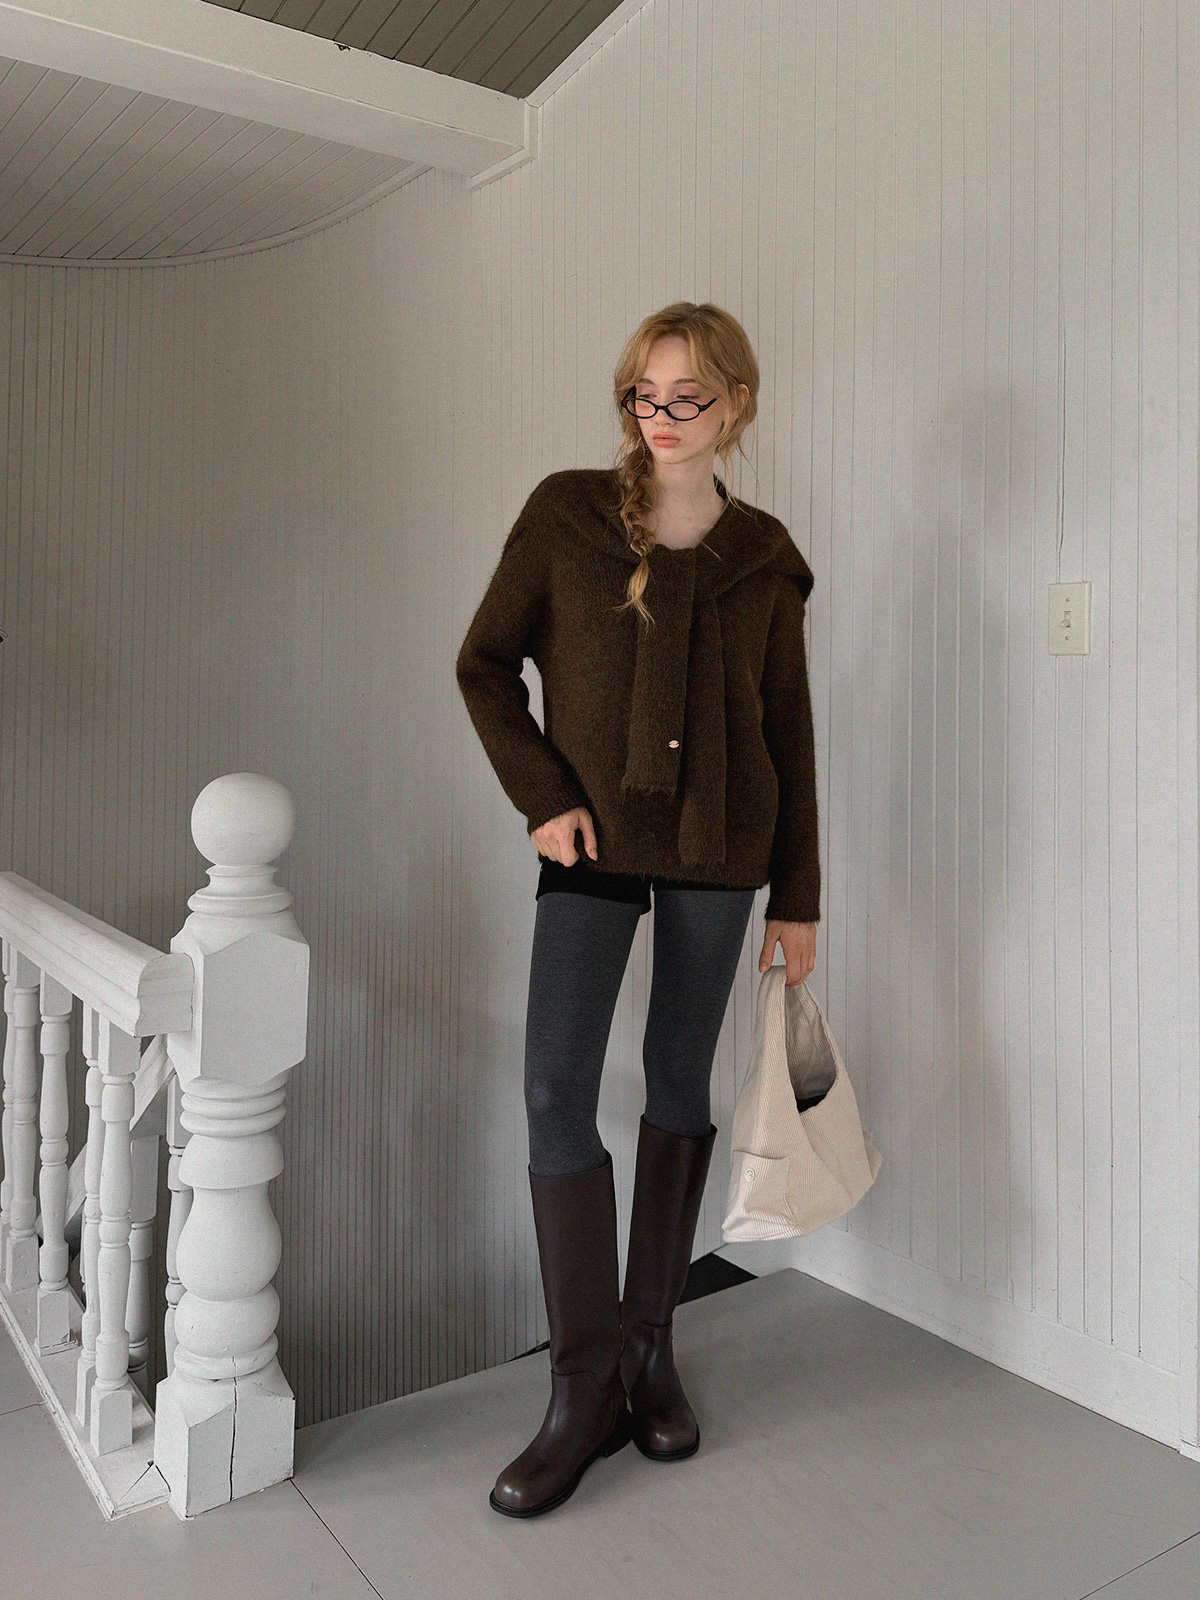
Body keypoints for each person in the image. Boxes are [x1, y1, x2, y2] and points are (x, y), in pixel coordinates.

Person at [455, 301, 821, 1518]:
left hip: (722, 848)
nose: (661, 417)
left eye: (688, 397)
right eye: (643, 396)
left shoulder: (764, 557)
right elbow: (484, 664)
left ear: (737, 404)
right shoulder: (568, 515)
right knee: (554, 1089)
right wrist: (542, 796)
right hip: (593, 839)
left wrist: (801, 895)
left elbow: (788, 733)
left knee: (677, 1081)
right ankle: (584, 1386)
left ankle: (652, 1348)